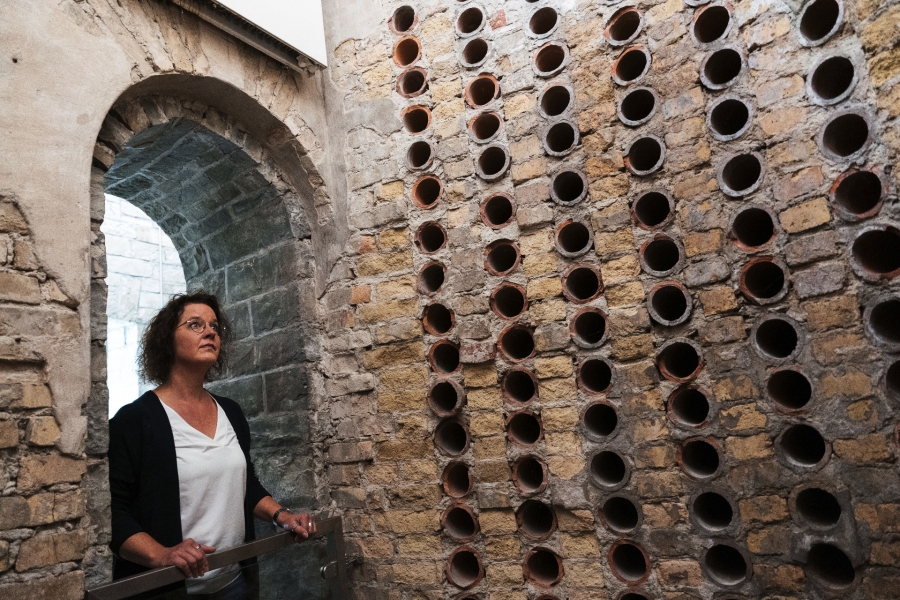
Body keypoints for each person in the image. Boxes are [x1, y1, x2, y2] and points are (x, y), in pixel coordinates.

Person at [108, 290, 316, 600]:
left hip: (232, 582)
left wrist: (283, 516)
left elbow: (246, 486)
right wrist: (162, 555)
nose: (210, 332)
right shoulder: (135, 420)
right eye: (195, 324)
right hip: (168, 590)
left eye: (214, 326)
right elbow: (112, 512)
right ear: (167, 339)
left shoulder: (230, 411)